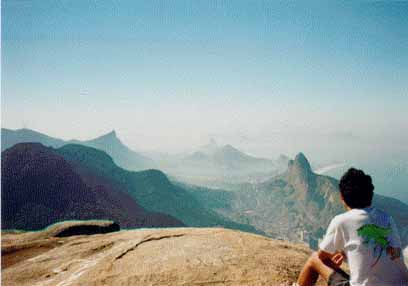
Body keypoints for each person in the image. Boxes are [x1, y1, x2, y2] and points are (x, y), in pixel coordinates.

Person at [294, 168, 408, 286]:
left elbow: (322, 255)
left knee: (314, 259)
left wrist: (339, 252)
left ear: (342, 198)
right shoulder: (387, 218)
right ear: (371, 194)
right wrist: (345, 253)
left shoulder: (341, 221)